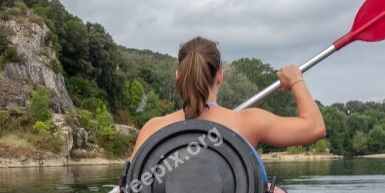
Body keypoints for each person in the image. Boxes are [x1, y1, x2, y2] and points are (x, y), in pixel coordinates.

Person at [131, 36, 327, 158]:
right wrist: (295, 80)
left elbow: (128, 190)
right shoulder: (248, 123)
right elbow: (315, 128)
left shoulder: (153, 128)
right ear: (220, 76)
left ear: (177, 76)